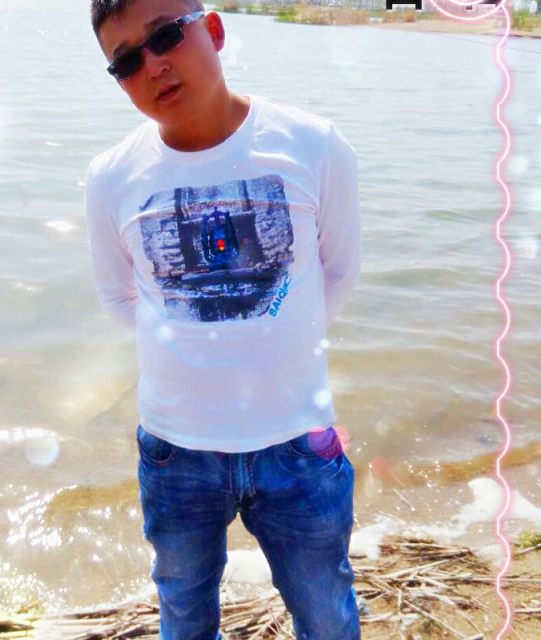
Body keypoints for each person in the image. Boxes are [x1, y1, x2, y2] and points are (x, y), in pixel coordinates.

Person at [84, 1, 362, 638]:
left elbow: (338, 273)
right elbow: (119, 299)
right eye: (126, 61)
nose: (153, 65)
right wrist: (199, 340)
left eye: (165, 36)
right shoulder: (110, 177)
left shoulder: (313, 144)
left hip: (298, 442)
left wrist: (267, 344)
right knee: (183, 613)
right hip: (174, 451)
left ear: (212, 30)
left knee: (326, 612)